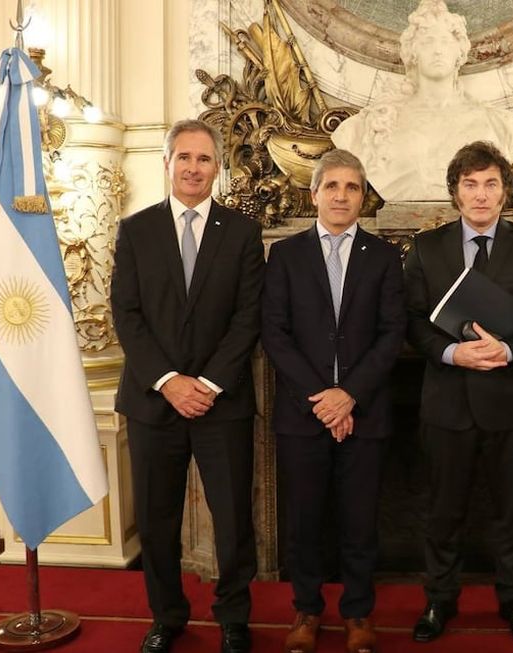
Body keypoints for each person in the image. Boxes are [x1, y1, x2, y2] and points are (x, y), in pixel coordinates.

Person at [111, 119, 264, 653]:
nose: (194, 168)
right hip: (154, 402)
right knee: (157, 519)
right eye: (184, 157)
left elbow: (248, 318)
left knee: (233, 521)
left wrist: (208, 382)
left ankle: (234, 617)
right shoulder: (135, 230)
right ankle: (168, 616)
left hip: (222, 404)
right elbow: (126, 317)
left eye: (204, 159)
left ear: (217, 167)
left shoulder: (242, 233)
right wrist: (171, 382)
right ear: (167, 163)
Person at [404, 140, 513, 646]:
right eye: (470, 184)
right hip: (447, 402)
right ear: (455, 192)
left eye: (490, 183)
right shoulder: (426, 249)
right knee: (442, 512)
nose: (480, 194)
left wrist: (509, 350)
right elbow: (410, 323)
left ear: (504, 191)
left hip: (510, 402)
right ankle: (439, 600)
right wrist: (453, 354)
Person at [261, 149, 406, 653]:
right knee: (304, 522)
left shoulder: (386, 256)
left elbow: (393, 334)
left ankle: (358, 613)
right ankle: (306, 610)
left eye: (352, 187)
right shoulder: (284, 255)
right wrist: (323, 400)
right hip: (303, 415)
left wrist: (350, 397)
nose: (341, 195)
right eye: (333, 186)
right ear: (314, 193)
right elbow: (275, 335)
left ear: (363, 198)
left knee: (360, 523)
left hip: (365, 415)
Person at [331, 0, 513, 201]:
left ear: (460, 52)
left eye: (445, 41)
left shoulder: (501, 125)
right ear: (413, 53)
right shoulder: (372, 124)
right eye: (428, 42)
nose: (437, 50)